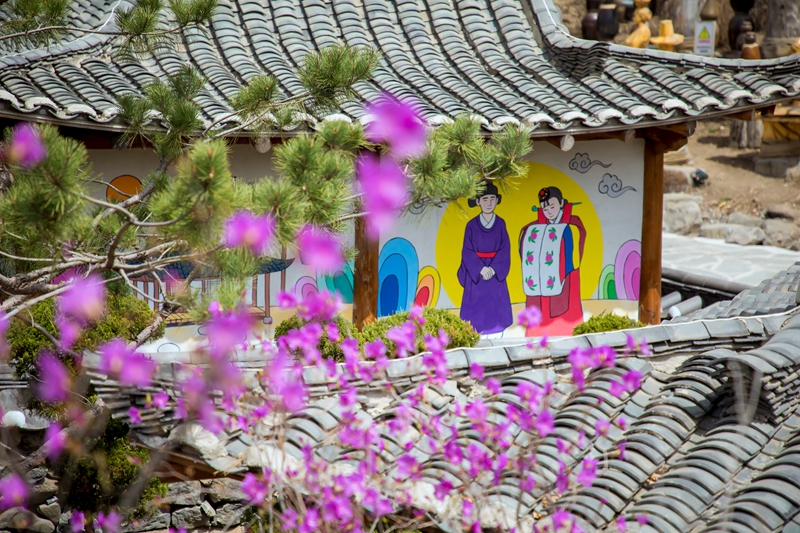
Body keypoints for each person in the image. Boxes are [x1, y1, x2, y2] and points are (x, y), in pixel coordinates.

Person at [518, 186, 586, 336]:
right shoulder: (535, 226)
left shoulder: (572, 224)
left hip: (566, 277)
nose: (549, 211)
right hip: (539, 278)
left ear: (561, 203)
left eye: (552, 206)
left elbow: (575, 251)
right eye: (545, 208)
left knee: (565, 309)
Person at [457, 181, 513, 335]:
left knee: (496, 305)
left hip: (495, 272)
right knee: (475, 314)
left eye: (492, 199)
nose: (489, 203)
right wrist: (480, 269)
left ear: (496, 200)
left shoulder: (500, 223)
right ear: (478, 202)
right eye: (485, 199)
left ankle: (498, 331)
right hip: (477, 273)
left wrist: (494, 269)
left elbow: (505, 249)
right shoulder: (471, 225)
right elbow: (467, 251)